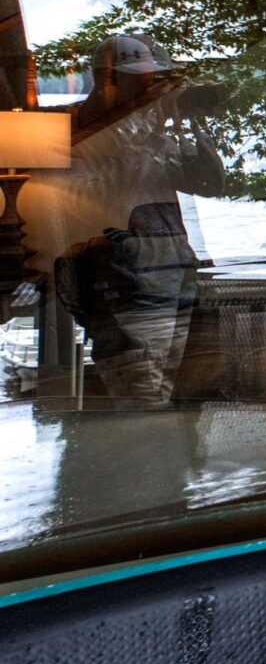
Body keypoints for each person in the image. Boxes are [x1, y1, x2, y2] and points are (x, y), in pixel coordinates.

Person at [21, 32, 227, 406]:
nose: (150, 89)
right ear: (107, 81)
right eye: (142, 80)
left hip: (173, 284)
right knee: (142, 409)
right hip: (116, 291)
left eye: (152, 80)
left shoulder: (147, 132)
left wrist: (192, 122)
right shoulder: (66, 129)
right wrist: (141, 158)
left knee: (171, 413)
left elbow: (211, 183)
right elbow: (68, 199)